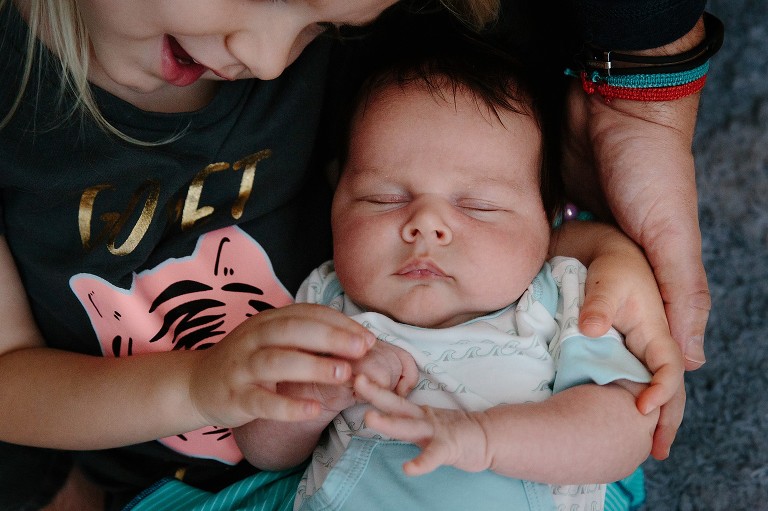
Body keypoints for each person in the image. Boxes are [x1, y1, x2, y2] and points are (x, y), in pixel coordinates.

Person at [0, 0, 714, 509]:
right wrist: (211, 386)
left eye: (324, 25)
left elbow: (506, 215)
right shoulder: (329, 297)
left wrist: (600, 249)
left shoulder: (367, 70)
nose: (269, 58)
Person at [220, 32, 661, 511]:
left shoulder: (561, 298)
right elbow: (262, 451)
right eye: (383, 199)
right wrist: (315, 396)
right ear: (335, 205)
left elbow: (625, 431)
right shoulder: (326, 305)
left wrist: (484, 439)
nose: (425, 225)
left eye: (477, 206)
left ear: (548, 221)